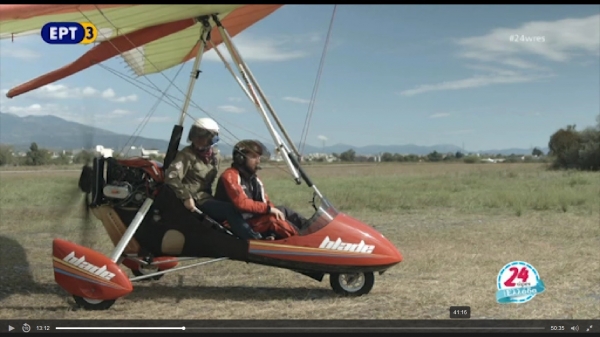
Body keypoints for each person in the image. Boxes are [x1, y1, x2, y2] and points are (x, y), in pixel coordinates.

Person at [163, 117, 263, 240]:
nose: (198, 140)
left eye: (203, 137)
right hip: (195, 200)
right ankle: (252, 240)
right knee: (229, 210)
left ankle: (257, 230)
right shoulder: (186, 155)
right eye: (196, 136)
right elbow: (171, 177)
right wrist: (186, 197)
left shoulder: (216, 156)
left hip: (207, 197)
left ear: (212, 139)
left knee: (236, 206)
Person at [214, 139, 307, 240]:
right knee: (273, 220)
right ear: (240, 158)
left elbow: (265, 201)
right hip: (235, 223)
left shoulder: (254, 179)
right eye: (254, 157)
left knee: (283, 210)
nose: (258, 161)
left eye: (258, 157)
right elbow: (241, 203)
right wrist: (268, 209)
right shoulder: (230, 176)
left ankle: (314, 230)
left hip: (252, 220)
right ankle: (304, 240)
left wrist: (272, 209)